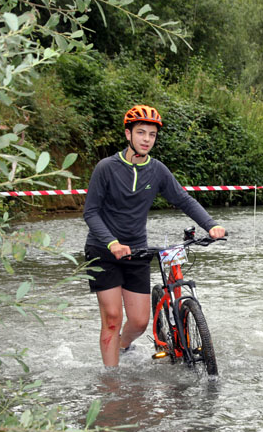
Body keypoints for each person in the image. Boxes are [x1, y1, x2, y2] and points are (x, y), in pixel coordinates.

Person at [83, 104, 226, 367]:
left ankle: (122, 346)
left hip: (137, 251)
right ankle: (112, 385)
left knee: (138, 322)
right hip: (103, 251)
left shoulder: (157, 170)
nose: (147, 139)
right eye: (141, 133)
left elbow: (183, 200)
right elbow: (90, 213)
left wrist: (211, 224)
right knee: (113, 317)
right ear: (128, 134)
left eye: (152, 135)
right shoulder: (106, 167)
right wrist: (112, 243)